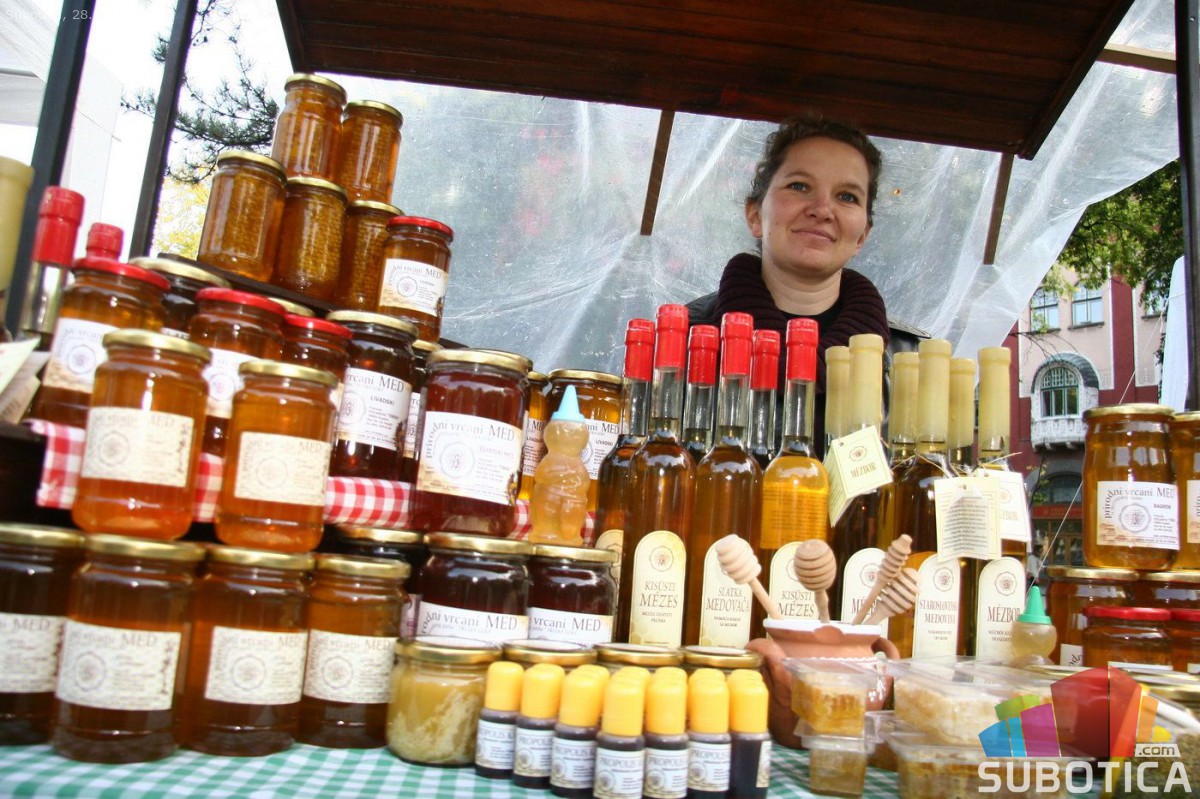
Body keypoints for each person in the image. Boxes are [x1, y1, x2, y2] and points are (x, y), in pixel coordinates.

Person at [687, 112, 922, 452]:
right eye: (799, 186)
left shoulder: (911, 361)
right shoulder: (682, 339)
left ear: (862, 236)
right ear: (755, 215)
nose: (822, 209)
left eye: (847, 196)